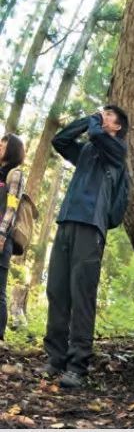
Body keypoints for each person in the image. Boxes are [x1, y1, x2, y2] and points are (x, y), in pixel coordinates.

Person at [43, 106, 129, 389]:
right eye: (100, 114)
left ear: (116, 128)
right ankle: (55, 358)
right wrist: (87, 120)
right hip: (67, 220)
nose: (100, 117)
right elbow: (60, 141)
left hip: (91, 227)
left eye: (107, 116)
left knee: (82, 296)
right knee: (57, 290)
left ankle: (77, 365)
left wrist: (95, 125)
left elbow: (96, 134)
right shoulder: (88, 152)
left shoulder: (116, 153)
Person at [0, 134, 26, 341]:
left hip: (2, 236)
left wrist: (1, 234)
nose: (0, 146)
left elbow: (12, 206)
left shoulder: (14, 174)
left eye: (4, 144)